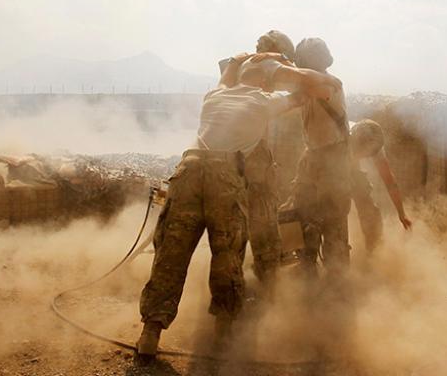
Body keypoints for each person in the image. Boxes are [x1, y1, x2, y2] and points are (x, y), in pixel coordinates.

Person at [136, 51, 340, 360]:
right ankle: (223, 336)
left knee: (171, 254)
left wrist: (250, 58)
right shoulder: (264, 102)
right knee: (227, 255)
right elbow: (320, 88)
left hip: (188, 171)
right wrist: (287, 68)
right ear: (264, 82)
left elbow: (229, 72)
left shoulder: (214, 95)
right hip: (225, 176)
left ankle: (150, 333)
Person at [219, 30, 295, 291]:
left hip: (227, 162)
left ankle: (230, 307)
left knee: (233, 237)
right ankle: (267, 297)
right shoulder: (265, 73)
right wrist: (281, 58)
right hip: (254, 163)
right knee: (266, 236)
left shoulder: (236, 67)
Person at [290, 37, 352, 279]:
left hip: (333, 159)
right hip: (314, 156)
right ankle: (308, 269)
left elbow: (317, 91)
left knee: (334, 221)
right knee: (302, 214)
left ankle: (336, 282)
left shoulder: (330, 85)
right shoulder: (309, 84)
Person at [348, 119, 412, 252]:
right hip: (322, 167)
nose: (368, 156)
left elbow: (389, 181)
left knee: (370, 213)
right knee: (331, 212)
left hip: (352, 169)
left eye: (370, 153)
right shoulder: (339, 140)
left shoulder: (374, 144)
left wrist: (402, 214)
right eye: (364, 152)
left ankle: (374, 255)